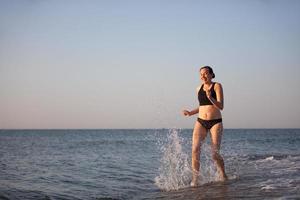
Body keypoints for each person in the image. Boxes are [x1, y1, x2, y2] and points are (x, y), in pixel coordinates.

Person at [182, 66, 227, 186]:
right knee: (195, 150)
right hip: (200, 121)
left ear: (212, 74)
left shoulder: (217, 86)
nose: (203, 76)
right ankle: (195, 179)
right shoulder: (198, 88)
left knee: (214, 154)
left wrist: (210, 97)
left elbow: (221, 106)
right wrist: (191, 112)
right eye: (201, 74)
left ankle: (223, 175)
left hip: (215, 122)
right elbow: (202, 106)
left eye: (206, 73)